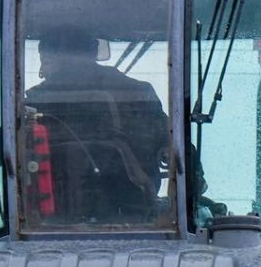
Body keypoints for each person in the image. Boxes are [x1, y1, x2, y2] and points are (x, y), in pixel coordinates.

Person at [22, 26, 169, 222]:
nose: (41, 71)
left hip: (49, 226)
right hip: (139, 223)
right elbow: (177, 152)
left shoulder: (36, 103)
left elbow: (7, 152)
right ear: (92, 54)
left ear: (63, 58)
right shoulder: (140, 95)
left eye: (45, 60)